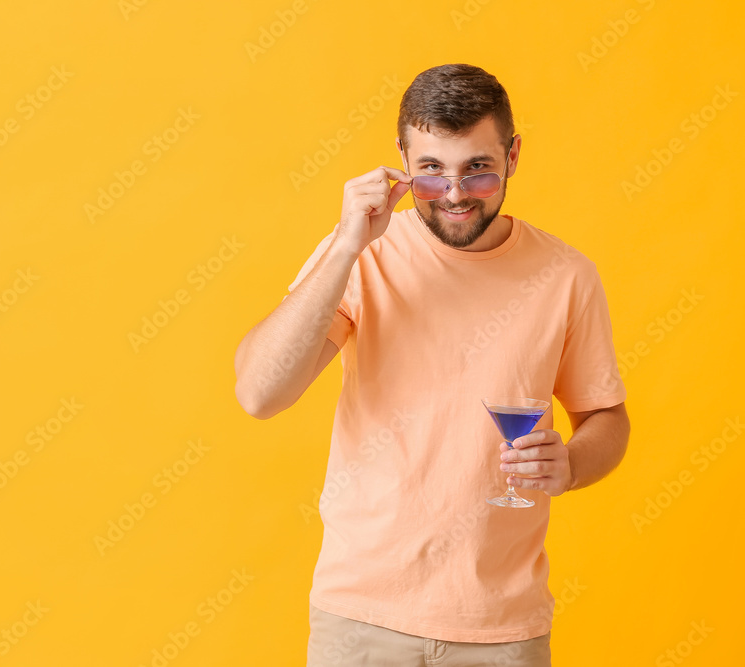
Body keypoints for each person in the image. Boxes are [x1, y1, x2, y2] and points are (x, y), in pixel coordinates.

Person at [234, 63, 631, 667]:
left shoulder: (566, 275)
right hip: (362, 620)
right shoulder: (363, 256)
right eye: (431, 170)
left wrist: (571, 463)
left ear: (513, 155)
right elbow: (260, 393)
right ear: (401, 159)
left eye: (477, 168)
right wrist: (345, 244)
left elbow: (607, 416)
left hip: (503, 629)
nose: (453, 193)